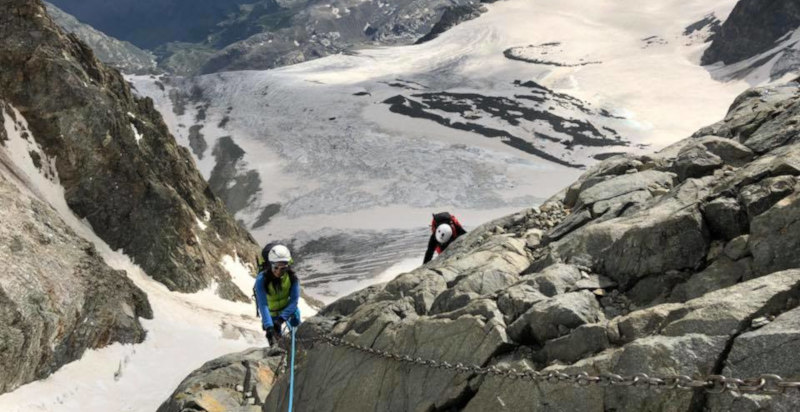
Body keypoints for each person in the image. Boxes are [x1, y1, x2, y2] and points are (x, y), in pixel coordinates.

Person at [254, 243, 301, 346]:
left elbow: (294, 301)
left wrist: (281, 319)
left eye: (283, 268)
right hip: (271, 314)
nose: (279, 272)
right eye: (276, 268)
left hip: (287, 309)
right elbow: (263, 304)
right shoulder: (261, 279)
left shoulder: (292, 277)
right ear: (270, 264)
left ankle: (298, 342)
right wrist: (269, 326)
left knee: (297, 325)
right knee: (275, 341)